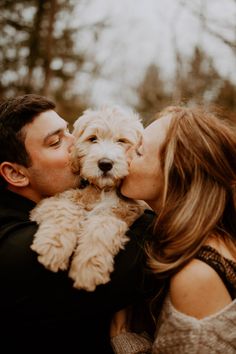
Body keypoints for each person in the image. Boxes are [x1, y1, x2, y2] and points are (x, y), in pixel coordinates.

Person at [0, 94, 158, 354]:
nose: (74, 147)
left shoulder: (82, 190)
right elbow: (133, 264)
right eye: (56, 142)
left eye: (69, 133)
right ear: (16, 173)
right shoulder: (12, 248)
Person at [110, 105, 236, 353]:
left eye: (138, 151)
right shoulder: (206, 238)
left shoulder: (197, 275)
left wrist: (124, 341)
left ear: (176, 174)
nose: (121, 156)